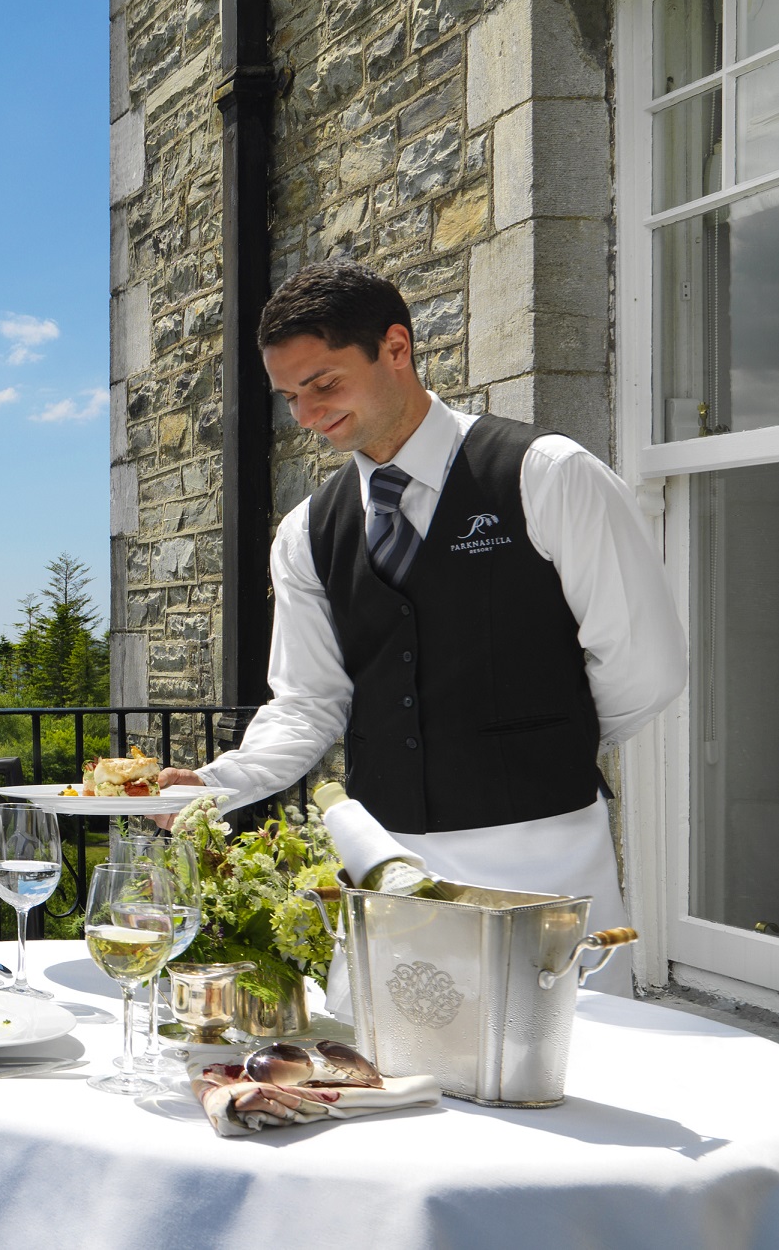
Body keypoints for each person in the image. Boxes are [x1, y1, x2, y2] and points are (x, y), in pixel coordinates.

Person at [157, 260, 685, 977]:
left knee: (561, 1069)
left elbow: (644, 666)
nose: (307, 416)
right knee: (387, 1067)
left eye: (323, 385)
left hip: (547, 850)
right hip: (384, 863)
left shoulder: (547, 474)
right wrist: (215, 785)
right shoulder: (306, 532)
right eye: (289, 398)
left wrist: (536, 741)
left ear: (395, 348)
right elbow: (308, 704)